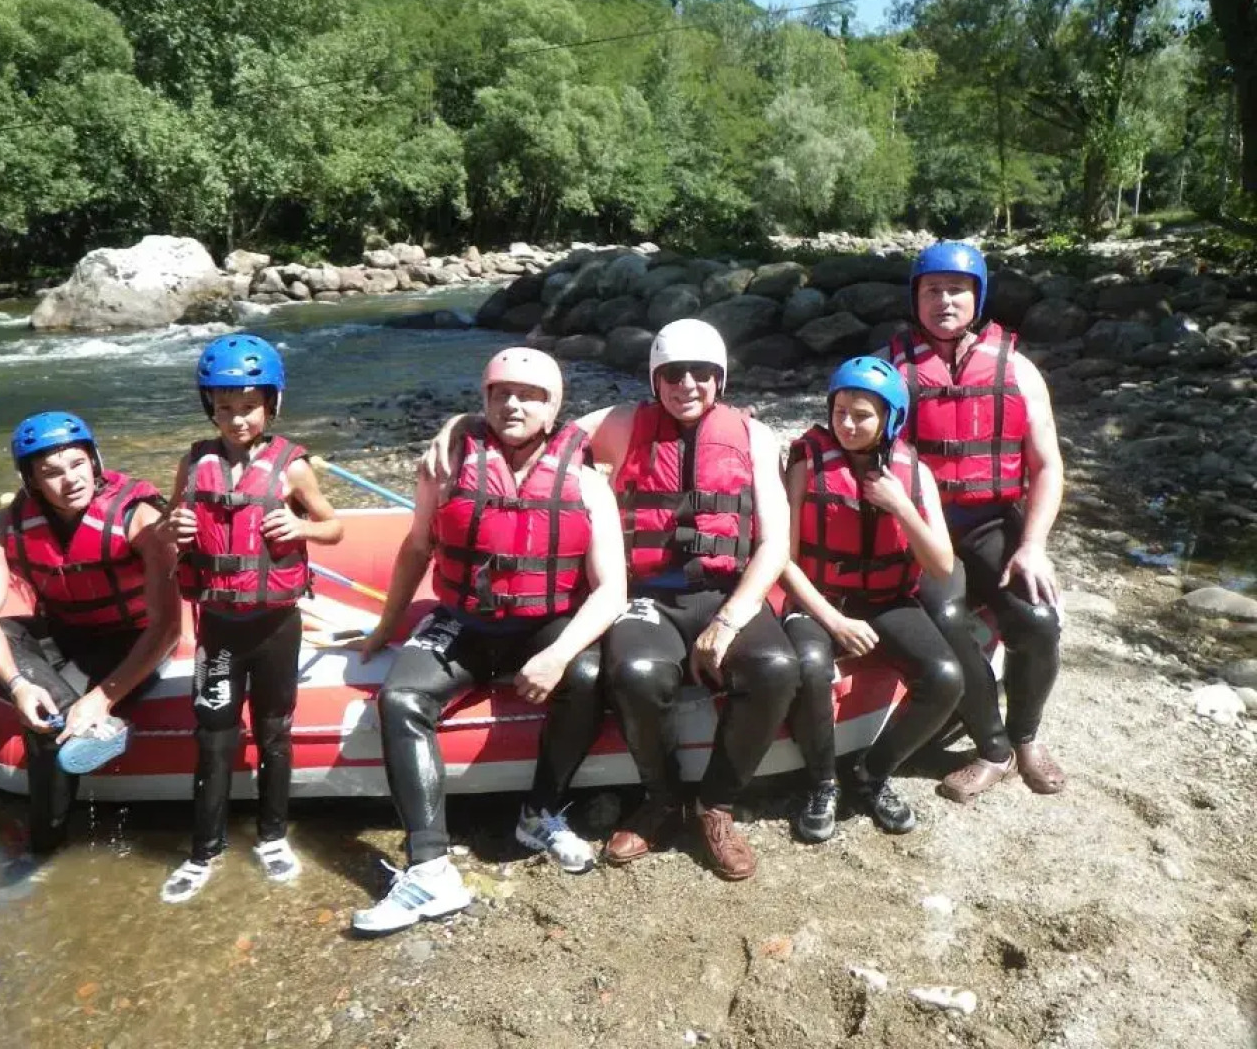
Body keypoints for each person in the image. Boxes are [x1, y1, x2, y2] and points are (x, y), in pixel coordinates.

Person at [424, 319, 800, 881]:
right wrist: (461, 427)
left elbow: (774, 543)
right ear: (656, 378)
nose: (688, 385)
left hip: (724, 593)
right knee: (638, 673)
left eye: (701, 374)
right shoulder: (622, 424)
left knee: (775, 667)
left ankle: (714, 804)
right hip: (648, 596)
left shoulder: (754, 436)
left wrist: (730, 619)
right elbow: (535, 425)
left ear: (719, 379)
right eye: (674, 374)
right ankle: (663, 798)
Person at [352, 348, 627, 936]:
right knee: (400, 699)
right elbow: (416, 548)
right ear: (484, 401)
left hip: (544, 624)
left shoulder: (585, 481)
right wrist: (385, 626)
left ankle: (541, 811)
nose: (513, 404)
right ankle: (429, 869)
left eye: (530, 396)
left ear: (554, 410)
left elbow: (611, 591)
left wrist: (555, 656)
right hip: (466, 620)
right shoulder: (449, 465)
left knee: (583, 676)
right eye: (501, 393)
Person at [159, 333, 344, 903]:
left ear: (272, 405)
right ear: (208, 407)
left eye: (248, 407)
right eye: (224, 408)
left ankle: (271, 837)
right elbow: (172, 521)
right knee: (213, 737)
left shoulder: (293, 470)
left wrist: (302, 528)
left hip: (275, 627)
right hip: (217, 626)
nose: (237, 420)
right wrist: (176, 529)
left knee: (273, 733)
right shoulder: (193, 462)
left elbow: (333, 526)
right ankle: (203, 851)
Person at [884, 242, 1067, 802]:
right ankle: (993, 748)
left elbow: (1047, 465)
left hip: (991, 522)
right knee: (947, 622)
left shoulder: (1017, 369)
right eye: (932, 290)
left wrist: (1032, 544)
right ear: (916, 298)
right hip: (923, 531)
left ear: (977, 297)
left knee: (1037, 621)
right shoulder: (891, 370)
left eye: (957, 290)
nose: (944, 300)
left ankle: (1026, 735)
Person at [0, 411, 180, 853]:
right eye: (51, 473)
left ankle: (45, 846)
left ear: (95, 461)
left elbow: (168, 628)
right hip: (66, 637)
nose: (70, 480)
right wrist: (18, 685)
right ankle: (63, 715)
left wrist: (102, 698)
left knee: (46, 731)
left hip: (130, 642)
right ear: (32, 481)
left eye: (78, 464)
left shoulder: (138, 520)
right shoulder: (7, 526)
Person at [780, 358, 963, 841]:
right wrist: (834, 622)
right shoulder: (806, 468)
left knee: (945, 677)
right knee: (812, 667)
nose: (846, 424)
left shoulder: (914, 474)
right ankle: (822, 784)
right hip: (820, 598)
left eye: (861, 415)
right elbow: (784, 560)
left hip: (886, 599)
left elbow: (942, 565)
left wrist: (900, 505)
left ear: (890, 420)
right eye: (839, 411)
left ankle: (871, 774)